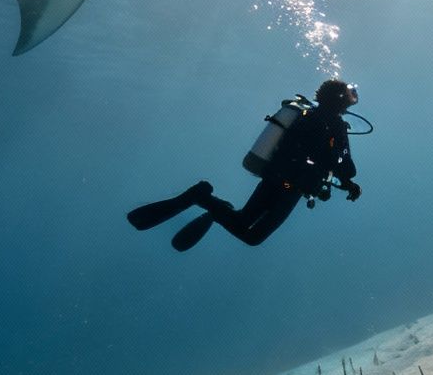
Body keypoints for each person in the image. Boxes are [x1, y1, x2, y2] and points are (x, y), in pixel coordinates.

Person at [128, 79, 362, 251]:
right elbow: (343, 164)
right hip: (291, 186)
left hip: (276, 177)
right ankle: (205, 200)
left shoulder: (306, 116)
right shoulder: (335, 126)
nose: (353, 100)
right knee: (252, 236)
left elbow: (314, 153)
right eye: (351, 96)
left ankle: (209, 202)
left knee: (243, 223)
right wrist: (349, 181)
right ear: (340, 99)